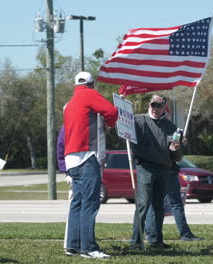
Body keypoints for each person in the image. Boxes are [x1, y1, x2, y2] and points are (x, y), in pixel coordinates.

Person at [63, 71, 118, 259]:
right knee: (90, 203)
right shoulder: (89, 94)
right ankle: (88, 248)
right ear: (91, 84)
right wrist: (110, 125)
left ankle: (72, 245)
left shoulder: (69, 104)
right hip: (87, 157)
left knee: (77, 203)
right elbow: (111, 111)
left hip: (71, 159)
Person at [130, 94, 182, 250]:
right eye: (153, 105)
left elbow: (177, 156)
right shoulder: (138, 121)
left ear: (164, 108)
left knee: (158, 206)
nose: (155, 109)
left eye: (158, 106)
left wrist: (176, 149)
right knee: (143, 204)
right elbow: (124, 132)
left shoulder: (171, 127)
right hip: (145, 168)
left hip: (164, 168)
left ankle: (155, 240)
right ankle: (136, 241)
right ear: (148, 105)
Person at [146, 158, 203, 241]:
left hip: (153, 171)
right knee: (176, 204)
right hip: (168, 170)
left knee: (153, 203)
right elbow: (176, 155)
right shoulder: (168, 144)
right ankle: (185, 234)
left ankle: (150, 233)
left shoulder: (151, 144)